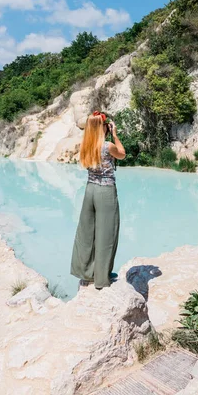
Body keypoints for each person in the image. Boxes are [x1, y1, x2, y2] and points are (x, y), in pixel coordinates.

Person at [70, 111, 125, 290]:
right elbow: (122, 154)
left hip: (89, 190)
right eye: (105, 124)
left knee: (87, 232)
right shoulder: (108, 146)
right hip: (105, 191)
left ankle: (87, 273)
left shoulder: (86, 145)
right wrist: (115, 135)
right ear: (101, 127)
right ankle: (102, 279)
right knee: (106, 233)